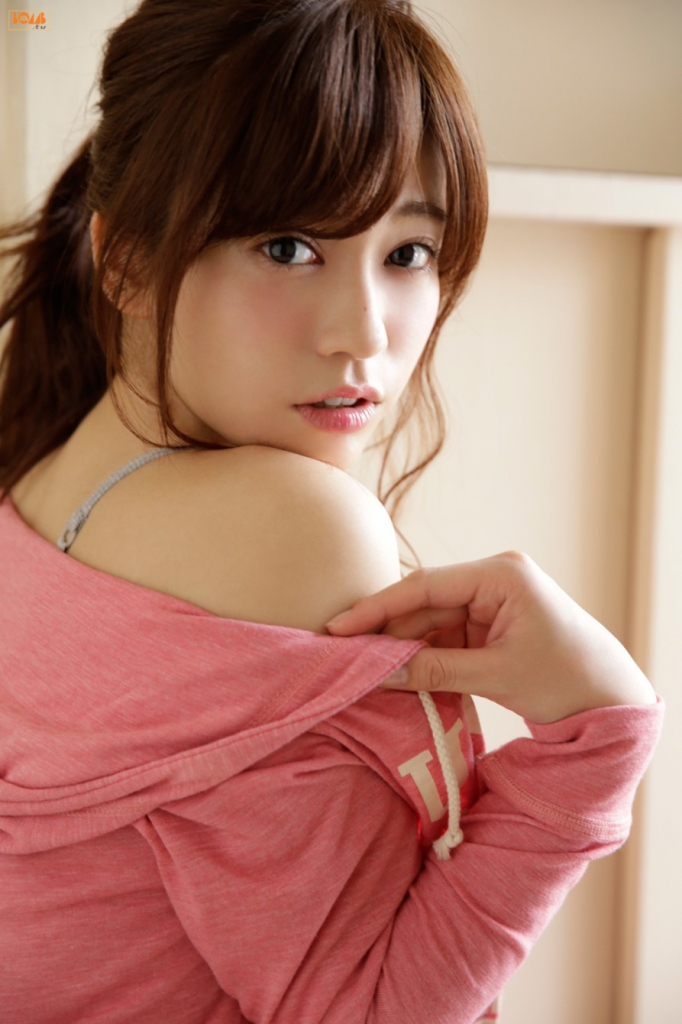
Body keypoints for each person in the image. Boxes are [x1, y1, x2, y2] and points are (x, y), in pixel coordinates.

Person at [0, 1, 662, 1022]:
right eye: (287, 247)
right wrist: (597, 738)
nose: (363, 334)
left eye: (409, 252)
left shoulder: (46, 471)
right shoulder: (296, 527)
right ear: (127, 260)